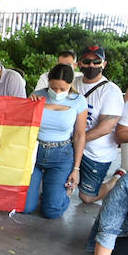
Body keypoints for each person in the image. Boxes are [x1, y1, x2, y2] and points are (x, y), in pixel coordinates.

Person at [24, 64, 87, 218]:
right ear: (48, 82)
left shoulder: (78, 101)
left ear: (71, 84)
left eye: (62, 89)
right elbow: (24, 126)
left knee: (51, 212)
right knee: (25, 207)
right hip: (35, 151)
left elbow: (79, 135)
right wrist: (30, 105)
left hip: (61, 154)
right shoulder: (37, 95)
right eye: (53, 88)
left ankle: (61, 194)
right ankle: (46, 192)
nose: (57, 92)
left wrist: (76, 169)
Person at [72, 44, 124, 204]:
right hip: (70, 145)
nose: (91, 65)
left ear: (104, 64)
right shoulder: (72, 83)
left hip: (95, 153)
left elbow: (105, 128)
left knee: (87, 197)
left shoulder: (111, 91)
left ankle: (116, 178)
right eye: (87, 61)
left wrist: (77, 140)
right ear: (79, 63)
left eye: (96, 62)